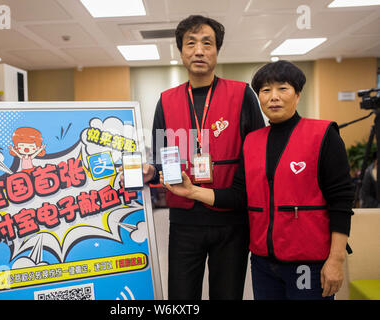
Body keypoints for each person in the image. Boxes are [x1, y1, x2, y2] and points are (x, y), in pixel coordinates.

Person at [162, 60, 354, 300]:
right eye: (265, 90)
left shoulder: (323, 135)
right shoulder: (252, 141)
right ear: (260, 98)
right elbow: (238, 195)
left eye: (282, 88)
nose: (274, 97)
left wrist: (336, 259)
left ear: (297, 94)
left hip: (308, 261)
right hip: (263, 263)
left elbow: (341, 201)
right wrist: (192, 192)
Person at [142, 15, 265, 300]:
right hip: (184, 221)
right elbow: (162, 157)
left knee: (227, 295)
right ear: (181, 51)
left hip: (231, 221)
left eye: (207, 43)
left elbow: (257, 156)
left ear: (217, 51)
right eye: (191, 43)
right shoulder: (167, 100)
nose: (199, 50)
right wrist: (152, 171)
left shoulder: (242, 94)